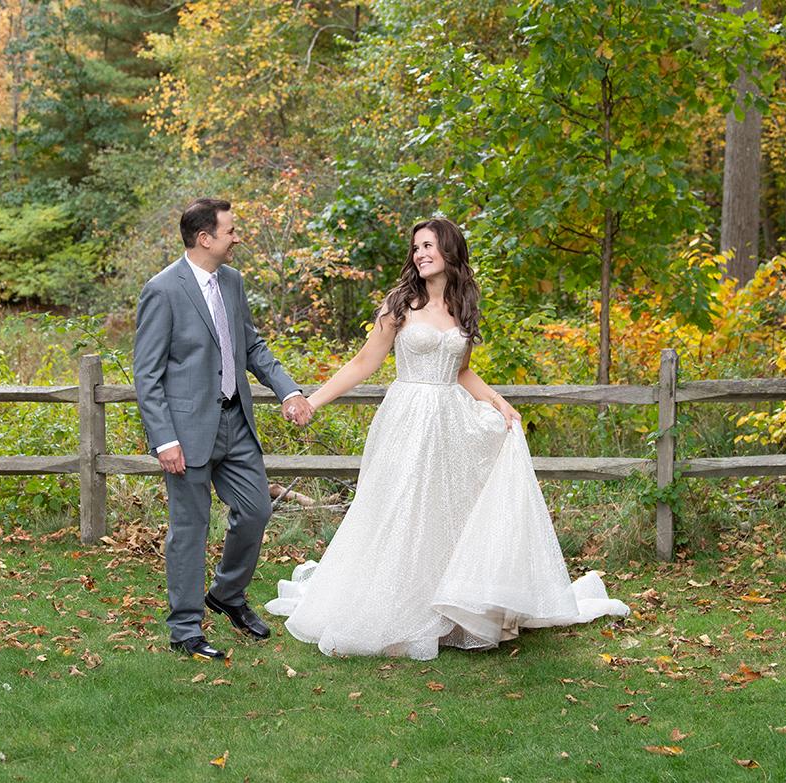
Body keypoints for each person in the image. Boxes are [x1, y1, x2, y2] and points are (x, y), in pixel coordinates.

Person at [265, 218, 630, 660]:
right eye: (416, 247)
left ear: (449, 252)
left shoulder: (462, 307)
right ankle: (391, 605)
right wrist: (313, 401)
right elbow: (364, 361)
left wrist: (499, 403)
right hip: (406, 418)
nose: (420, 254)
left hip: (449, 421)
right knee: (399, 506)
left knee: (442, 510)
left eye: (429, 246)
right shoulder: (399, 305)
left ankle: (449, 610)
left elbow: (461, 370)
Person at [134, 198, 313, 661]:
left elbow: (251, 346)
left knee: (256, 511)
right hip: (186, 433)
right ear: (204, 238)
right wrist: (164, 439)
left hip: (236, 422)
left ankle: (228, 595)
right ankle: (185, 628)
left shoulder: (232, 282)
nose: (237, 238)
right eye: (231, 230)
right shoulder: (162, 290)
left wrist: (288, 391)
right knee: (189, 530)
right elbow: (147, 374)